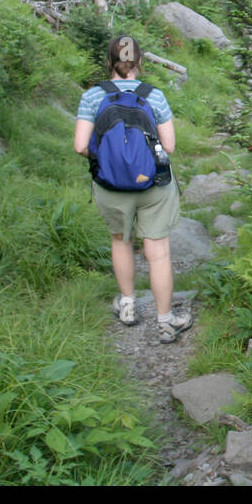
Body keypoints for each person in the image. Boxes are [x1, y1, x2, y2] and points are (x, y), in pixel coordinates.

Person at [73, 35, 192, 343]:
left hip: (110, 186)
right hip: (153, 184)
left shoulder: (92, 96)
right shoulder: (154, 96)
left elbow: (80, 146)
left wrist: (112, 161)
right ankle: (166, 322)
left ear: (109, 61)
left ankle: (127, 307)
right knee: (158, 252)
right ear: (139, 61)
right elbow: (169, 146)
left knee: (120, 241)